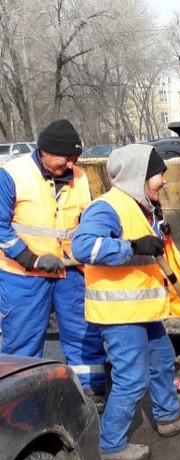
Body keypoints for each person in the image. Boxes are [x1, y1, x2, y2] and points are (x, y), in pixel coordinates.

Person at [71, 144, 180, 460]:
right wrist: (131, 246)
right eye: (159, 174)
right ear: (138, 176)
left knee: (162, 360)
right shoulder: (107, 207)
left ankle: (169, 417)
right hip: (120, 314)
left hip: (142, 310)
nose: (164, 181)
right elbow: (82, 247)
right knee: (132, 378)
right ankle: (110, 445)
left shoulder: (143, 207)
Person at [0, 119, 107, 403]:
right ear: (45, 151)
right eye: (66, 158)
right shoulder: (12, 174)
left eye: (75, 159)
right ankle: (20, 404)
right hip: (23, 274)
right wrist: (30, 259)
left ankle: (89, 394)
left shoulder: (80, 177)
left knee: (84, 334)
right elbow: (1, 227)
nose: (71, 165)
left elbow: (87, 222)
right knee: (22, 341)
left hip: (71, 271)